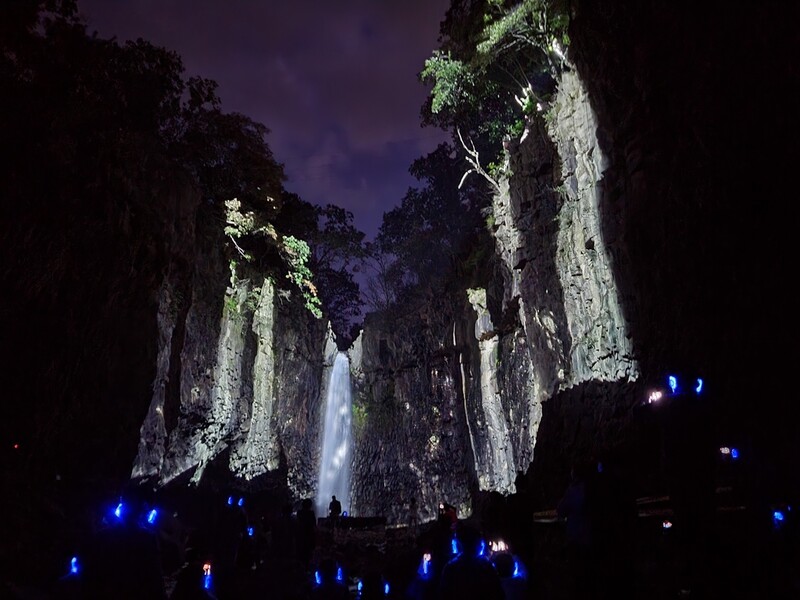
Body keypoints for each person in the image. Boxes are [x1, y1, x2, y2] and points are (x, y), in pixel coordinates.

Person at [438, 524, 504, 600]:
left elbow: (443, 594)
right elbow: (498, 594)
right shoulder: (486, 567)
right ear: (478, 543)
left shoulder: (451, 567)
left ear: (459, 544)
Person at [297, 498, 317, 571]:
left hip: (301, 535)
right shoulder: (311, 513)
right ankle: (307, 569)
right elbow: (314, 524)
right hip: (308, 535)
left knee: (301, 552)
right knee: (308, 553)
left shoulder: (299, 513)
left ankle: (301, 569)